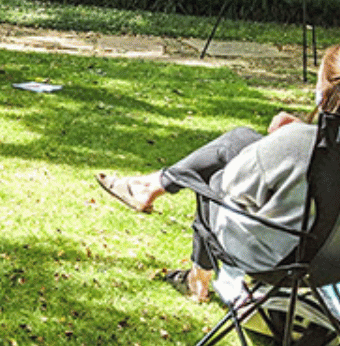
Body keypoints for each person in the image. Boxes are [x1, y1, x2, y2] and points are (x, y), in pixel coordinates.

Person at [95, 43, 340, 301]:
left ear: (323, 94)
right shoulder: (307, 143)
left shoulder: (300, 142)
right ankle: (150, 187)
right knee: (240, 139)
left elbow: (235, 184)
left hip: (275, 260)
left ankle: (197, 280)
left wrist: (289, 141)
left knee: (212, 180)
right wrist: (295, 138)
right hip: (330, 267)